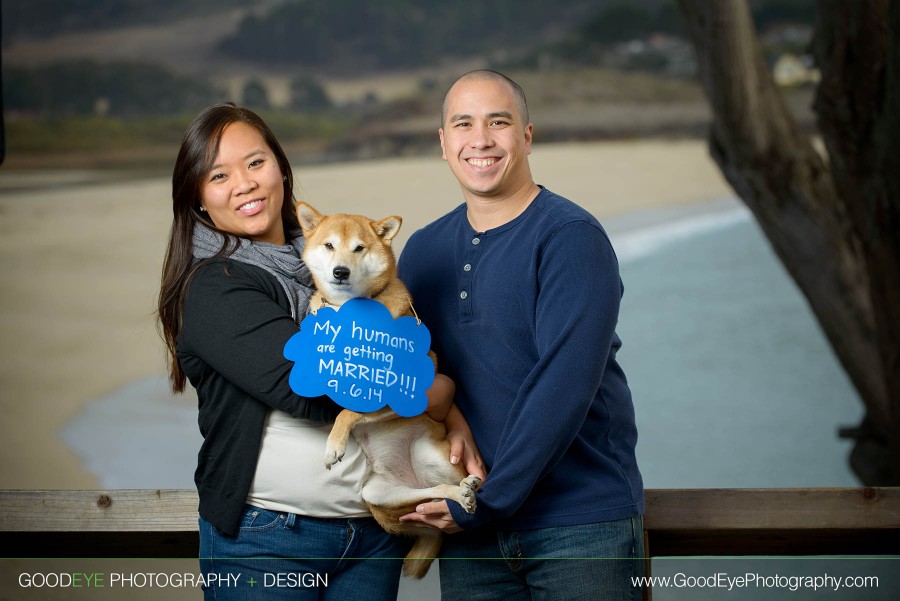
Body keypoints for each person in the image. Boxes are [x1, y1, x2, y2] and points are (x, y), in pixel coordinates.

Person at [157, 103, 483, 600]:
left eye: (255, 163)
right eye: (218, 175)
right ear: (198, 198)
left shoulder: (331, 258)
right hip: (270, 536)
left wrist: (446, 406)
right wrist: (437, 392)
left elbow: (396, 356)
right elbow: (310, 389)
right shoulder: (215, 286)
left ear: (282, 170)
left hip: (370, 532)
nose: (244, 183)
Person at [397, 71, 645, 600]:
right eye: (463, 124)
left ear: (527, 135)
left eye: (498, 122)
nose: (480, 139)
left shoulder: (570, 238)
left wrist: (490, 501)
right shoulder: (422, 251)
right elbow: (416, 369)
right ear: (443, 142)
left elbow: (565, 383)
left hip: (578, 525)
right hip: (473, 535)